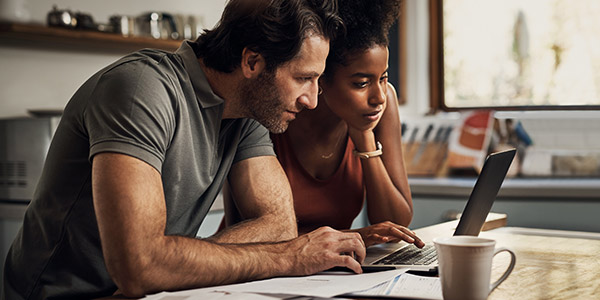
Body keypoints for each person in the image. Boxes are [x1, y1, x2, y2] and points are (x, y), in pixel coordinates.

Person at [1, 1, 370, 299]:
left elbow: (278, 225)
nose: (312, 99)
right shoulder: (141, 89)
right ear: (252, 62)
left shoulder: (247, 112)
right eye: (304, 78)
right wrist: (288, 258)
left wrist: (173, 264)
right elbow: (140, 266)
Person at [222, 0, 425, 249]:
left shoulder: (382, 106)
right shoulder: (273, 109)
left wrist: (365, 140)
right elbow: (247, 231)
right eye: (361, 83)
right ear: (321, 77)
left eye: (383, 78)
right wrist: (356, 236)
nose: (379, 97)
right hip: (255, 268)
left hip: (328, 271)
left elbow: (395, 224)